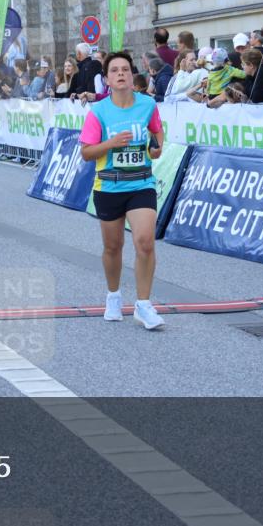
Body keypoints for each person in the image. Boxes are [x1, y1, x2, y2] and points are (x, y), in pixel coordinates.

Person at [79, 52, 165, 330]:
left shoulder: (147, 104)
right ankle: (113, 296)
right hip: (109, 185)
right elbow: (86, 153)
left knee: (145, 241)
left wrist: (156, 147)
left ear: (132, 75)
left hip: (141, 183)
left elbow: (157, 132)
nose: (120, 74)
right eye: (114, 70)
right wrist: (111, 143)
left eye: (125, 69)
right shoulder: (99, 112)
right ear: (106, 79)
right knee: (113, 246)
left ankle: (144, 304)